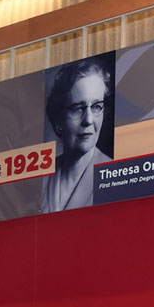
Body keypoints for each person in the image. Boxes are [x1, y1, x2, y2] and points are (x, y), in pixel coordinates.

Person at [41, 57, 113, 213]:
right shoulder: (42, 178)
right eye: (77, 108)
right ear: (58, 118)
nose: (88, 120)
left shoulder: (114, 175)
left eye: (96, 107)